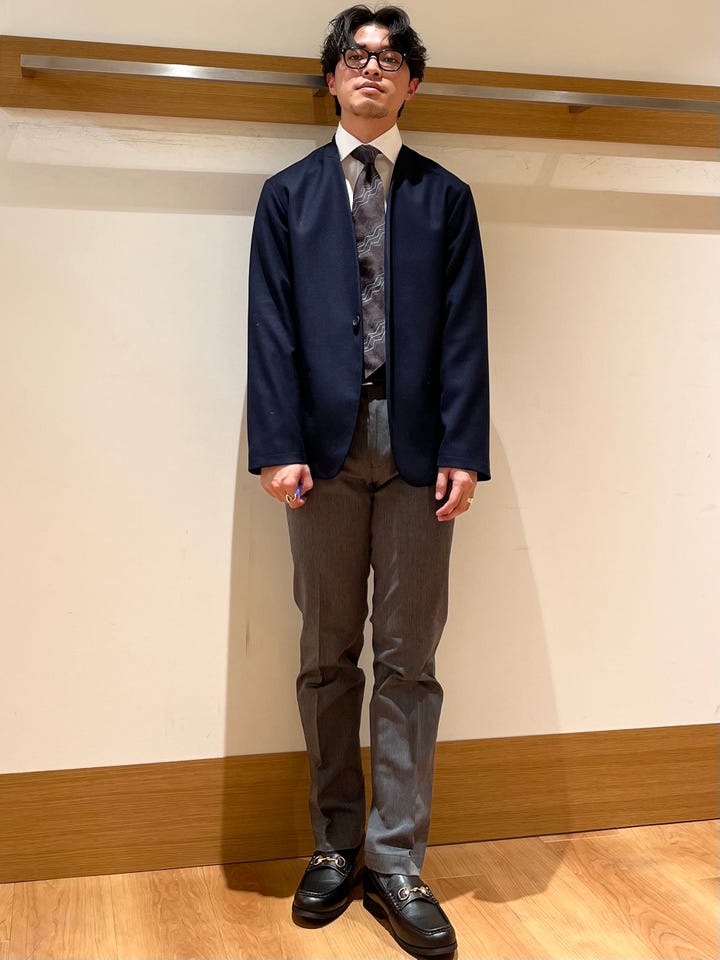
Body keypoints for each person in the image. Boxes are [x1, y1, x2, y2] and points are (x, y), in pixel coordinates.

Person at [247, 5, 489, 955]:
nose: (372, 70)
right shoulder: (287, 196)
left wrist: (464, 448)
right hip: (319, 452)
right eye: (356, 56)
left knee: (410, 659)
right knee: (325, 652)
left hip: (422, 450)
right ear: (332, 77)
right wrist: (276, 444)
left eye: (390, 60)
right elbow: (269, 327)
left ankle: (395, 860)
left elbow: (466, 331)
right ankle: (335, 842)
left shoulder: (446, 197)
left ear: (412, 83)